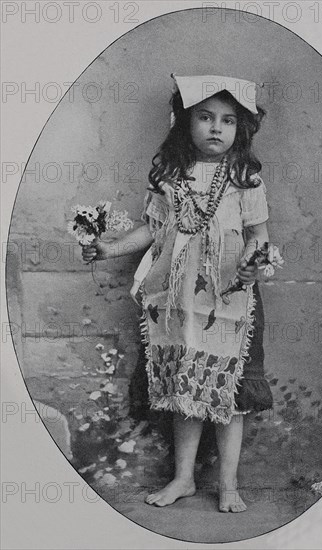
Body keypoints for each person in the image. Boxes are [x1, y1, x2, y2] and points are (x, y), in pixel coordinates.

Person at [82, 74, 273, 513]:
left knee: (231, 395)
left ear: (239, 128)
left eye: (227, 120)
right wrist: (110, 247)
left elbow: (258, 236)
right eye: (205, 117)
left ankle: (228, 484)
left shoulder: (245, 177)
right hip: (178, 298)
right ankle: (183, 478)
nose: (215, 128)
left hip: (230, 299)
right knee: (185, 385)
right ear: (186, 122)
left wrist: (252, 262)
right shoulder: (170, 176)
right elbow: (152, 229)